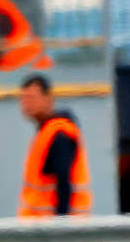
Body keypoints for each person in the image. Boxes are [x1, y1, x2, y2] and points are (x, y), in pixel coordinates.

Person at [17, 74, 92, 218]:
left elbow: (64, 183)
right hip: (43, 224)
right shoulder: (46, 133)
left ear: (48, 99)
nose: (26, 104)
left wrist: (60, 224)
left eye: (31, 98)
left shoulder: (59, 134)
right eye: (23, 99)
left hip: (54, 225)